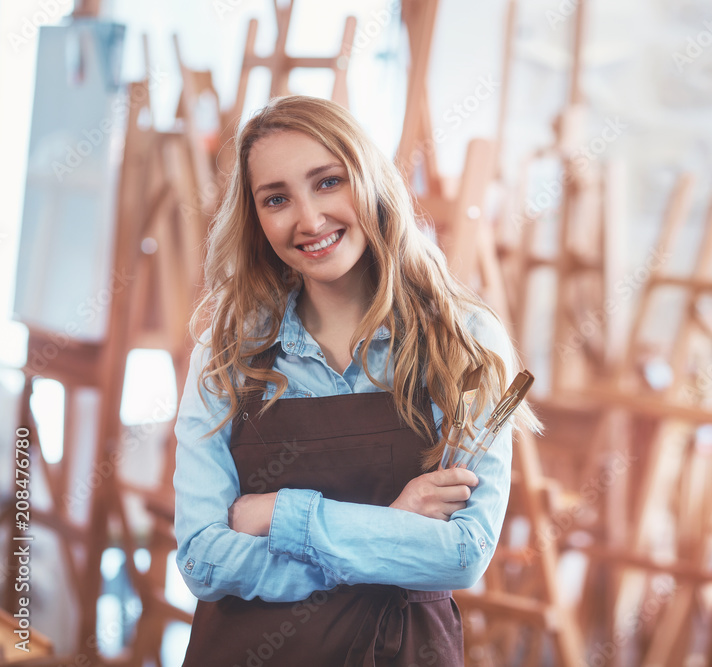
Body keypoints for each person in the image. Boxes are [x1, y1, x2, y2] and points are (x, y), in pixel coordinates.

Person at [172, 95, 537, 666]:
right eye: (276, 199)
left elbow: (462, 555)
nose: (309, 221)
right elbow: (203, 559)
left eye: (327, 182)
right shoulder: (226, 353)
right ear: (256, 217)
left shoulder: (462, 339)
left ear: (369, 181)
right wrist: (391, 529)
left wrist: (279, 516)